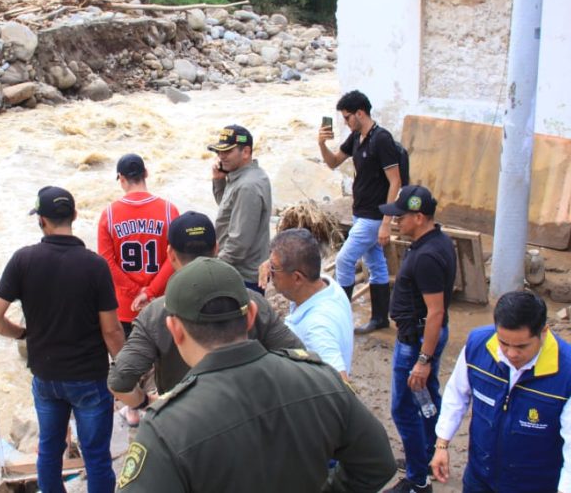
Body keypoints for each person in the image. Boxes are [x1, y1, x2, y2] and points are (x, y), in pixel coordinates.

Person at [117, 257, 397, 492]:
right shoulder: (321, 380)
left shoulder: (166, 430)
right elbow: (378, 464)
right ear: (251, 315)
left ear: (175, 329)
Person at [0, 186, 125, 493]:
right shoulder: (95, 265)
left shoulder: (23, 260)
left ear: (41, 220)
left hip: (46, 376)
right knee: (96, 455)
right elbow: (111, 330)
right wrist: (127, 368)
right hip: (89, 377)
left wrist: (21, 333)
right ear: (74, 215)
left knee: (48, 452)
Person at [108, 211, 303, 415]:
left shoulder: (156, 313)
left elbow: (119, 381)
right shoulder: (252, 301)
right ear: (217, 249)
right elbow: (299, 357)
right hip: (248, 413)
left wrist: (147, 401)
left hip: (183, 419)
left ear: (170, 254)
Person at [431, 292, 571, 493]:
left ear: (543, 332)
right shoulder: (477, 347)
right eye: (504, 343)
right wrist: (442, 444)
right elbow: (456, 394)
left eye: (521, 346)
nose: (511, 354)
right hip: (479, 479)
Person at [379, 185, 457, 493]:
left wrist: (423, 360)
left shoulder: (427, 256)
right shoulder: (436, 240)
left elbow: (435, 312)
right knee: (426, 400)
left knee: (404, 408)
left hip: (417, 342)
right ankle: (426, 454)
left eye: (401, 215)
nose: (396, 221)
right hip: (421, 338)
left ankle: (417, 478)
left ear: (420, 217)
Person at [318, 90, 402, 334]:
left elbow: (395, 181)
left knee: (344, 260)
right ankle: (379, 319)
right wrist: (322, 144)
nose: (345, 122)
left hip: (374, 216)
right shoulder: (356, 137)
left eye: (347, 117)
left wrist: (386, 221)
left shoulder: (381, 139)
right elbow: (334, 162)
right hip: (360, 211)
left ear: (360, 113)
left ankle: (342, 317)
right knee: (375, 263)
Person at [97, 153, 180, 336]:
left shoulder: (109, 214)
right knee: (164, 362)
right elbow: (175, 257)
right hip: (161, 303)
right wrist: (149, 292)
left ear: (122, 179)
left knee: (131, 363)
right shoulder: (169, 210)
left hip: (126, 307)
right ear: (146, 173)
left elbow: (106, 263)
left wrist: (137, 292)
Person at [267, 228, 354, 378]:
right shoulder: (328, 285)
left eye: (273, 268)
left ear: (297, 278)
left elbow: (340, 384)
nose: (269, 273)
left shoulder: (317, 330)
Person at [209, 124, 272, 292]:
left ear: (245, 152)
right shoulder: (243, 176)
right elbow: (228, 210)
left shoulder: (247, 186)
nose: (221, 157)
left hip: (242, 276)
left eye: (227, 151)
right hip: (238, 271)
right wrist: (219, 181)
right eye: (219, 152)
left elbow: (239, 243)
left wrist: (213, 269)